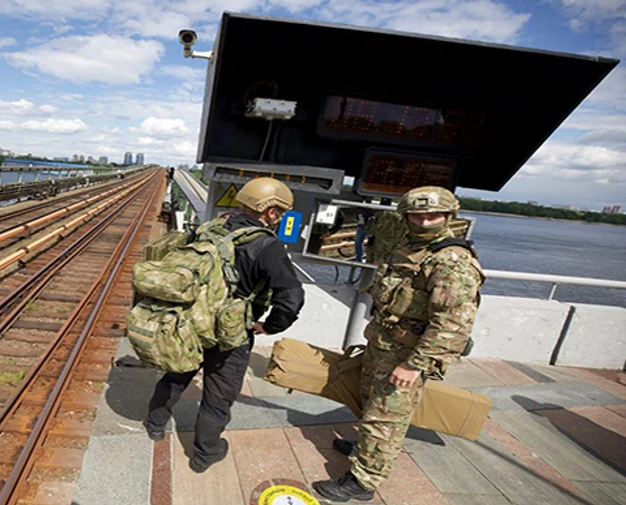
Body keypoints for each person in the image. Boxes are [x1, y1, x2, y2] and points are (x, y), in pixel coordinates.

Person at [312, 186, 484, 502]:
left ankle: (363, 482)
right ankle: (366, 450)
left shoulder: (452, 261)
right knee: (370, 406)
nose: (424, 221)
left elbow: (452, 325)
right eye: (417, 215)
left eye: (433, 215)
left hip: (407, 356)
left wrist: (414, 366)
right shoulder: (410, 246)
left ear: (449, 216)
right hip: (384, 345)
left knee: (386, 418)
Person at [143, 177, 305, 473]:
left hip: (192, 322)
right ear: (269, 211)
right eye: (279, 212)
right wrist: (270, 327)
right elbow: (292, 297)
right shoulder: (268, 245)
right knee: (218, 395)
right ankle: (205, 454)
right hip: (231, 334)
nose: (279, 218)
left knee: (176, 375)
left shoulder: (210, 228)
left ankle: (154, 424)